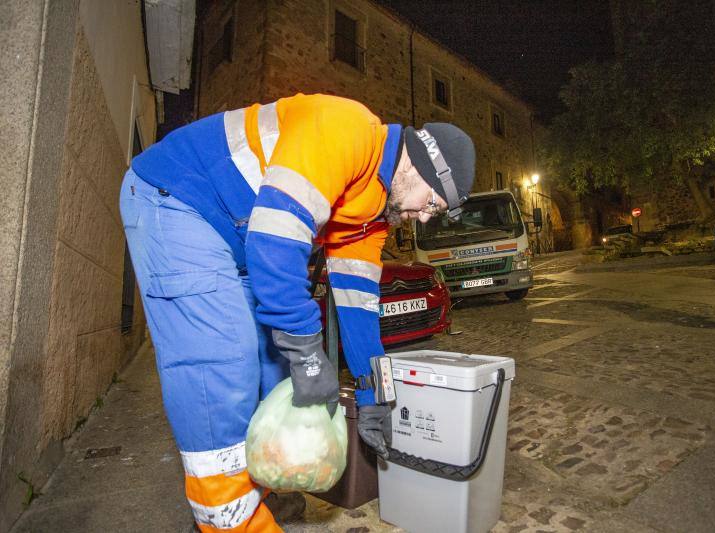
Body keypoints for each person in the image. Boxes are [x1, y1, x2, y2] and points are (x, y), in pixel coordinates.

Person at [119, 93, 475, 532]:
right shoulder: (347, 127)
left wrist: (376, 398)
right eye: (431, 204)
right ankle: (229, 519)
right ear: (418, 164)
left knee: (274, 376)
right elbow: (277, 242)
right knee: (223, 361)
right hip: (176, 201)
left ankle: (262, 491)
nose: (423, 218)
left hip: (241, 238)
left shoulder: (371, 215)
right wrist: (308, 352)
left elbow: (360, 310)